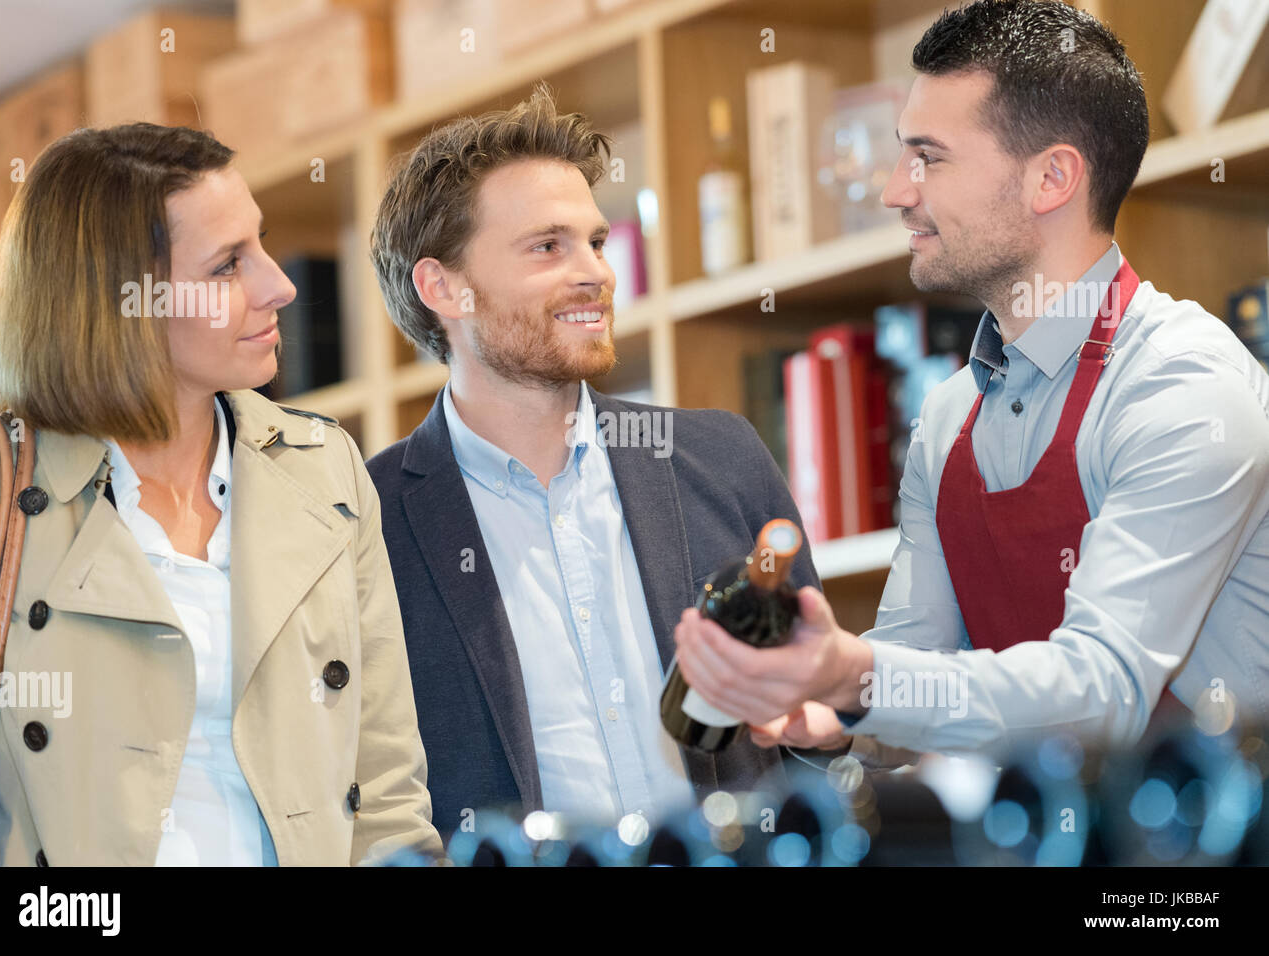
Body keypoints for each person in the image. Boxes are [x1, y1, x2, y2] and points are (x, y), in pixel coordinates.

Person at [673, 0, 1269, 758]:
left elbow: (1102, 692)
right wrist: (832, 717)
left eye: (929, 156)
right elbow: (917, 674)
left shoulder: (1183, 388)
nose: (896, 190)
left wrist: (859, 679)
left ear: (1051, 178)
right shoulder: (948, 417)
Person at [0, 123, 441, 865]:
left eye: (260, 245)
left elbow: (384, 790)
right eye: (227, 266)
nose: (279, 285)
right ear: (117, 300)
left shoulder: (325, 468)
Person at [365, 87, 826, 841]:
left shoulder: (720, 457)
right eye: (548, 247)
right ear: (443, 287)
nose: (596, 274)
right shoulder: (369, 522)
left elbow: (814, 732)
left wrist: (836, 724)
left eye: (597, 243)